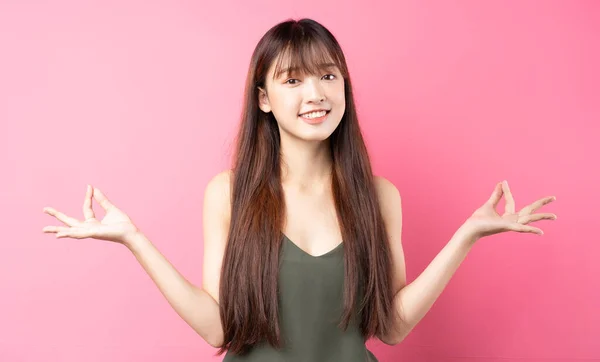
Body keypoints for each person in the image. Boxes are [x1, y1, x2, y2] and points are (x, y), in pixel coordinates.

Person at [42, 18, 557, 362]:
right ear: (264, 99)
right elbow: (218, 329)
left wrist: (466, 235)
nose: (316, 94)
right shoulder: (229, 194)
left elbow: (393, 327)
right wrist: (134, 239)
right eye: (293, 81)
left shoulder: (379, 197)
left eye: (328, 76)